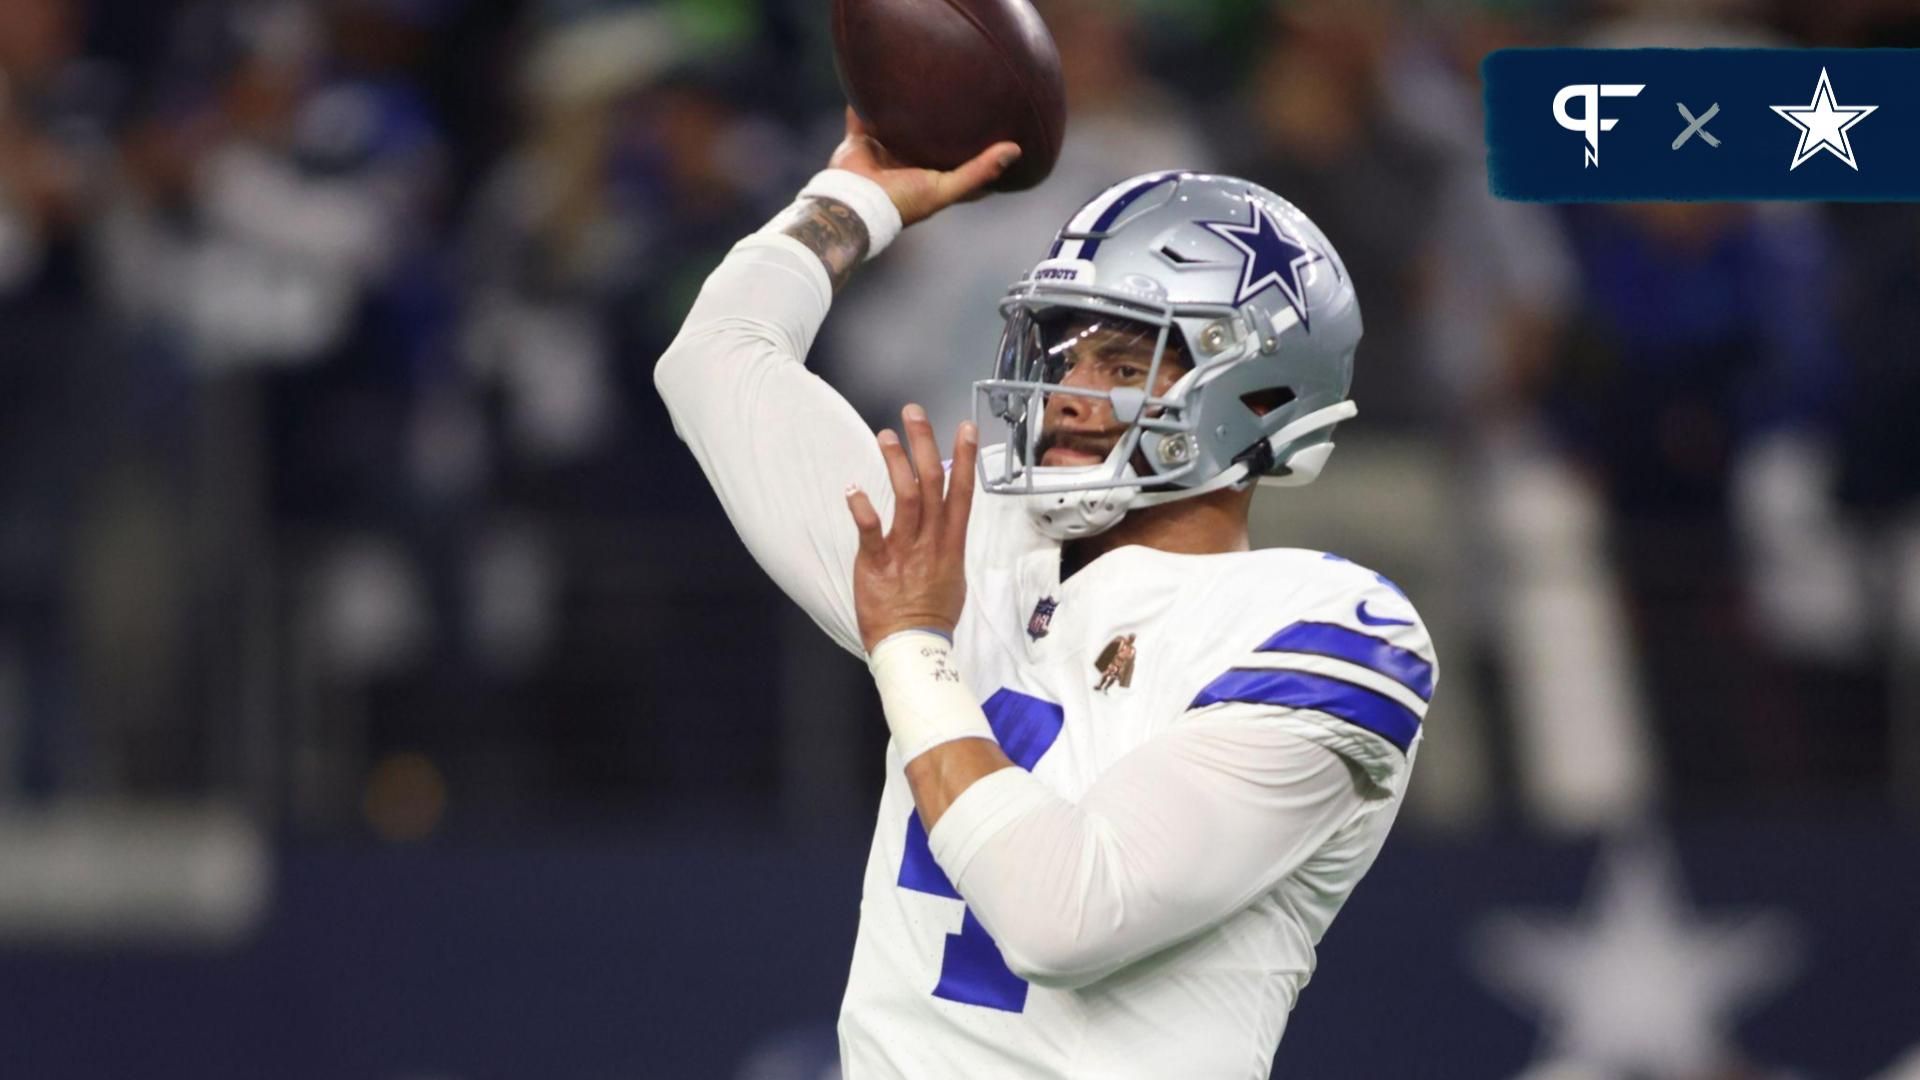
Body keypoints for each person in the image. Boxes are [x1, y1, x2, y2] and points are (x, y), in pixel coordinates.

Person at [655, 111, 1437, 1079]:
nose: (1069, 391)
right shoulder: (969, 546)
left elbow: (1061, 916)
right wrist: (854, 199)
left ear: (1263, 394)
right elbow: (714, 360)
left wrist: (912, 645)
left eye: (1123, 362)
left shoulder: (1317, 629)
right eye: (1064, 353)